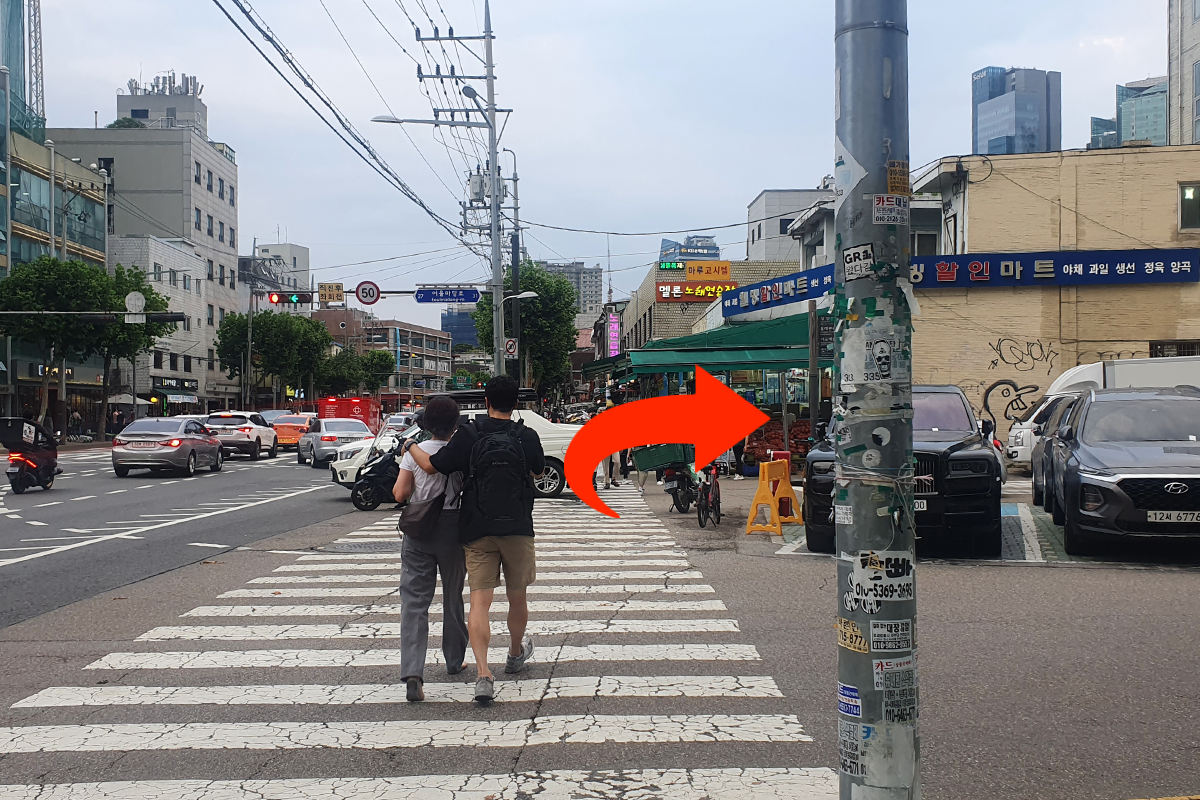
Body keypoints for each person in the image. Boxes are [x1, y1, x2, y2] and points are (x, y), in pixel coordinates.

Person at [406, 375, 545, 703]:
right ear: (516, 403)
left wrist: (410, 445)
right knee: (517, 597)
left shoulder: (469, 433)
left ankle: (483, 673)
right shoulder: (526, 434)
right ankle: (514, 654)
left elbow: (432, 466)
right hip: (518, 527)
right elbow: (539, 472)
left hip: (476, 527)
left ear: (486, 402)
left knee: (480, 601)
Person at [393, 395, 469, 702]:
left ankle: (413, 672)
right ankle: (454, 660)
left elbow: (400, 493)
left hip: (419, 529)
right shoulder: (458, 451)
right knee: (453, 596)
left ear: (426, 424)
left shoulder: (415, 453)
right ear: (454, 424)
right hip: (453, 528)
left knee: (414, 602)